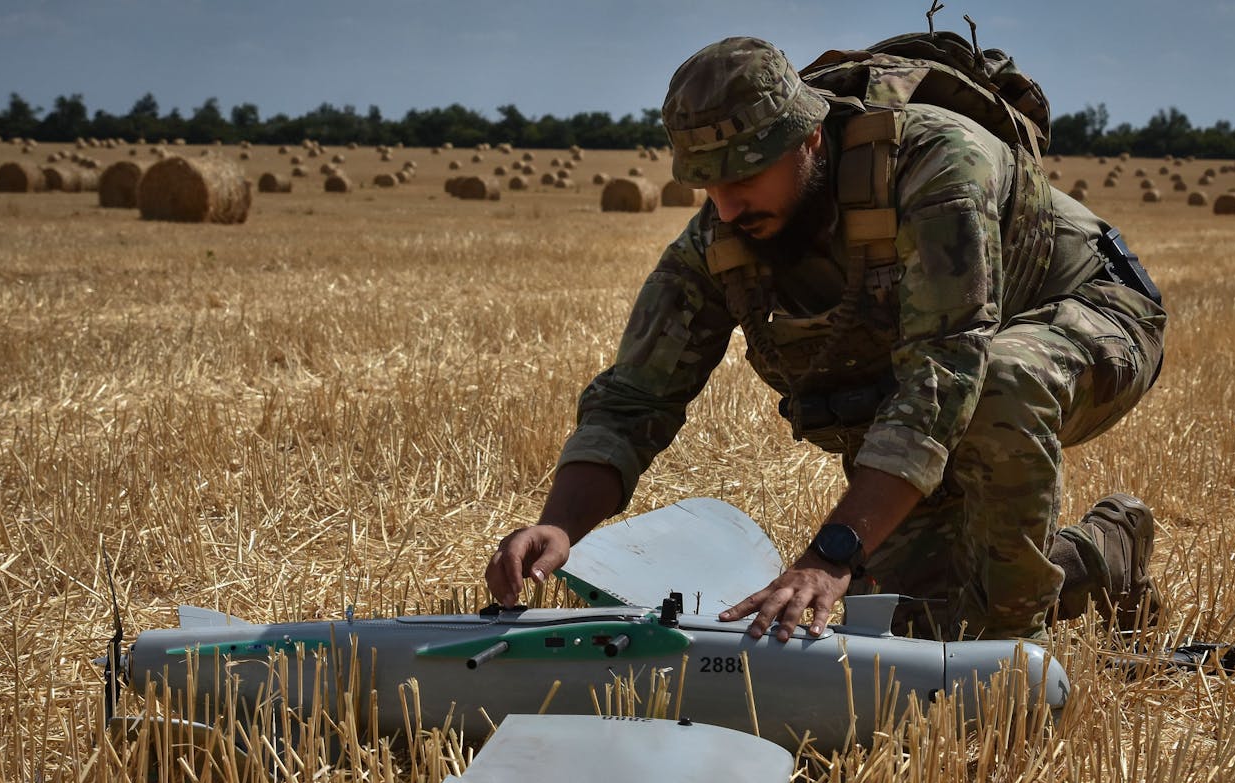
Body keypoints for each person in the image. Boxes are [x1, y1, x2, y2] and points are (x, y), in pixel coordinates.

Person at [486, 36, 1166, 643]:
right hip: (946, 385)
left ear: (808, 140)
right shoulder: (721, 237)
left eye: (744, 177)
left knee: (999, 385)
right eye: (708, 183)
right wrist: (561, 526)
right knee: (922, 629)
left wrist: (831, 553)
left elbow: (948, 369)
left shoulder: (934, 164)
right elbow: (635, 395)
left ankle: (1013, 649)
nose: (725, 207)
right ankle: (1105, 555)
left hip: (1091, 317)